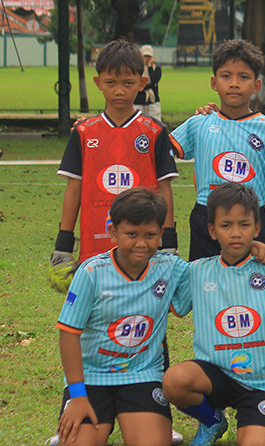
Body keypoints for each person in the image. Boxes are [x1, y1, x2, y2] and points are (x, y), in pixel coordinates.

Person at [162, 183, 265, 446]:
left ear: (257, 228)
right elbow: (175, 305)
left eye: (244, 225)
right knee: (175, 380)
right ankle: (212, 421)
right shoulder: (197, 271)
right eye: (226, 225)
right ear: (212, 230)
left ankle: (262, 419)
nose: (235, 233)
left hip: (260, 381)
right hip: (215, 375)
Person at [54, 188, 186, 446]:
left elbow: (215, 270)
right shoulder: (91, 272)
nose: (141, 243)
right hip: (92, 376)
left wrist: (255, 248)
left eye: (150, 235)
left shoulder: (170, 267)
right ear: (113, 233)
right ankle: (86, 416)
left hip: (140, 374)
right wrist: (77, 394)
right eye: (131, 234)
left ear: (161, 234)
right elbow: (68, 333)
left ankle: (136, 421)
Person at [50, 38, 178, 292]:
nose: (119, 91)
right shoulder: (84, 133)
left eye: (128, 83)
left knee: (143, 314)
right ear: (98, 83)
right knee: (95, 319)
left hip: (143, 245)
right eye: (111, 83)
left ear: (142, 84)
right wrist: (63, 244)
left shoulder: (155, 132)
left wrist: (169, 240)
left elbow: (165, 189)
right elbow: (73, 189)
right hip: (94, 245)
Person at [169, 39, 265, 261]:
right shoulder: (200, 123)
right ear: (214, 83)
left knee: (259, 287)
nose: (234, 83)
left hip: (252, 219)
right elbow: (161, 151)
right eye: (226, 76)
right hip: (205, 216)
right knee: (206, 285)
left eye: (243, 77)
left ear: (256, 85)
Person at [133, 45, 162, 122]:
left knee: (155, 122)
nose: (147, 59)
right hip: (138, 100)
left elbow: (154, 80)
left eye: (148, 56)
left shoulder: (156, 69)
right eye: (145, 56)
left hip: (153, 100)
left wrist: (149, 66)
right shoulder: (135, 69)